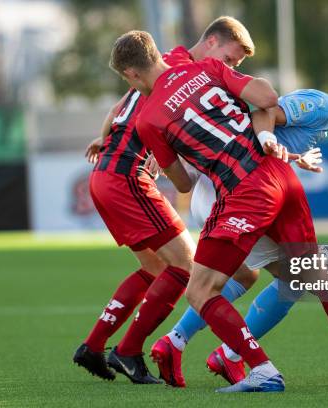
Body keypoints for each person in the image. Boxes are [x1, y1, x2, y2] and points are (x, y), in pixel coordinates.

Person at [110, 29, 318, 392]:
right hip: (278, 176)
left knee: (200, 290)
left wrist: (175, 156)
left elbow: (184, 184)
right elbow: (268, 97)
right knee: (295, 272)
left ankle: (261, 369)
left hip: (240, 191)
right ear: (156, 53)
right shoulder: (206, 67)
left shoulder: (148, 120)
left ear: (130, 74)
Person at [156, 73, 328, 387]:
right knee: (307, 275)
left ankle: (181, 343)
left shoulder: (321, 121)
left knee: (249, 276)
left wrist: (291, 156)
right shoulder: (321, 105)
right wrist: (268, 139)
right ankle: (232, 354)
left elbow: (264, 135)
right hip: (237, 194)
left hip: (237, 191)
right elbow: (266, 111)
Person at [73, 16, 259, 385]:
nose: (232, 66)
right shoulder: (180, 74)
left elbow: (117, 110)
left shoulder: (165, 63)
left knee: (156, 269)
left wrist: (104, 137)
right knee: (184, 267)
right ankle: (128, 352)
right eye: (231, 57)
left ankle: (94, 346)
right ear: (210, 42)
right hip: (128, 177)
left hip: (108, 174)